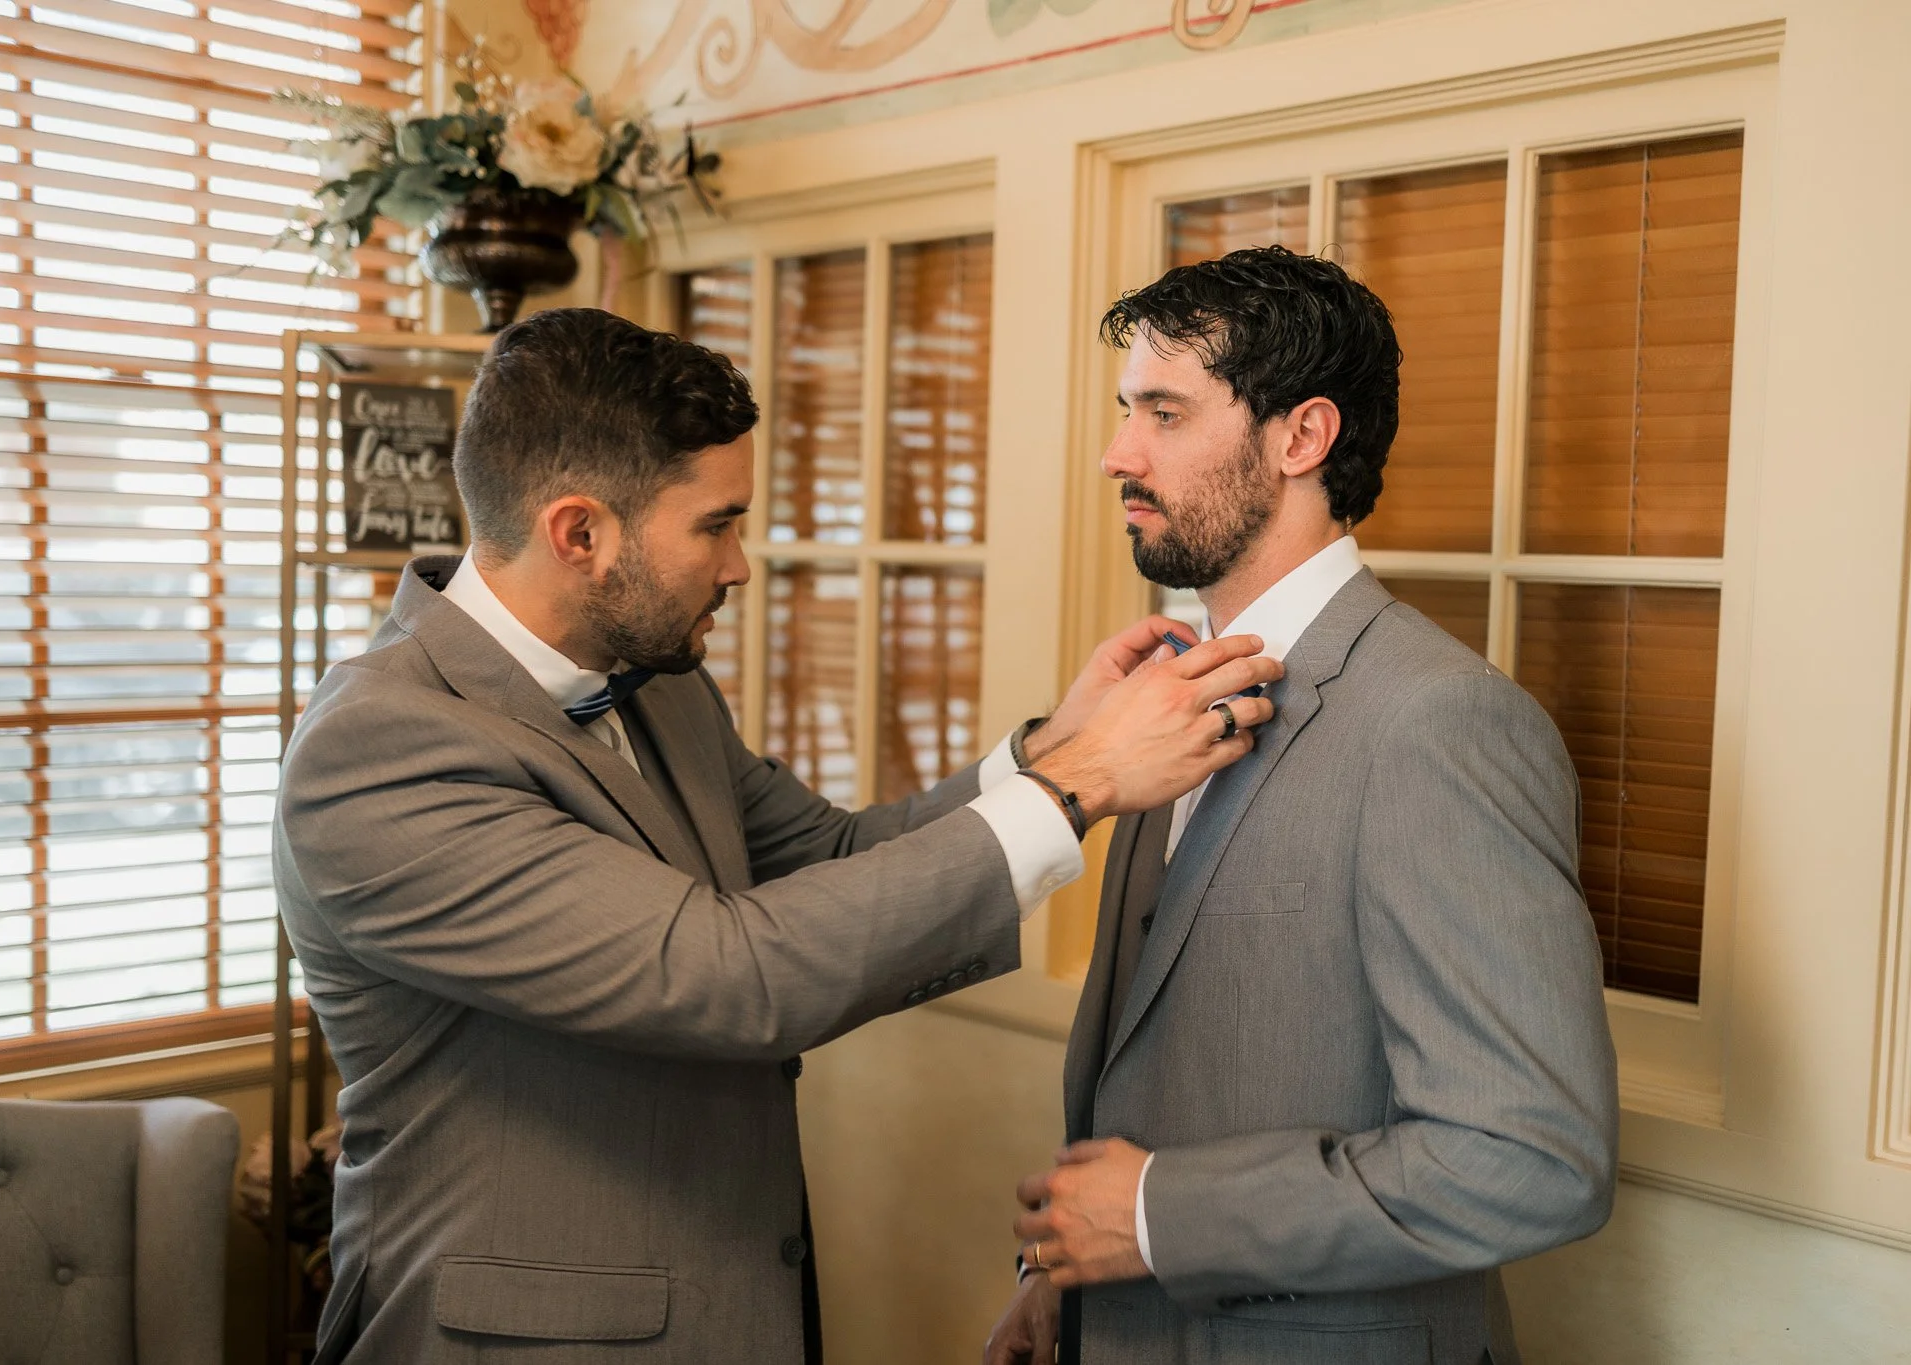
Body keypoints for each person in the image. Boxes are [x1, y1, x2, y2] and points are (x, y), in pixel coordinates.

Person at [272, 307, 1282, 1365]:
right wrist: (1082, 785)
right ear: (580, 534)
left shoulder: (656, 686)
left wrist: (1045, 753)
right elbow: (722, 975)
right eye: (715, 525)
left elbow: (836, 861)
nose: (740, 565)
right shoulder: (377, 753)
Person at [985, 248, 1618, 1365]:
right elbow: (1160, 1057)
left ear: (1299, 438)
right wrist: (1062, 1281)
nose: (1115, 455)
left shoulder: (1438, 724)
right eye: (1127, 411)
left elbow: (1531, 1161)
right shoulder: (1166, 689)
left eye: (1164, 415)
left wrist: (1153, 1218)